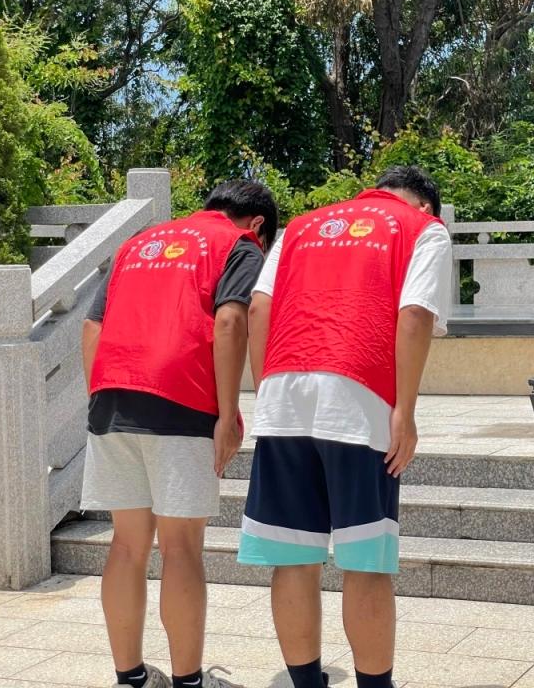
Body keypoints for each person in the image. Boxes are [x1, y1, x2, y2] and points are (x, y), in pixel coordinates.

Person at [237, 165, 453, 688]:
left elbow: (259, 307)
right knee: (365, 561)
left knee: (292, 558)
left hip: (283, 395)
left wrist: (269, 392)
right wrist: (404, 412)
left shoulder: (301, 227)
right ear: (426, 204)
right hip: (360, 401)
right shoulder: (423, 228)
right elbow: (415, 315)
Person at [81, 180, 279, 688]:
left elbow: (92, 327)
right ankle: (190, 682)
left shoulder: (137, 243)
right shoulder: (239, 245)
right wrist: (228, 414)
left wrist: (99, 398)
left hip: (111, 396)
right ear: (257, 224)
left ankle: (130, 678)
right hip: (181, 398)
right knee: (180, 548)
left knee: (127, 545)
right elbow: (231, 320)